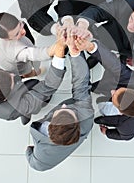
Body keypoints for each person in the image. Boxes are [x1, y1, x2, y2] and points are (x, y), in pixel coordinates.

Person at [0, 26, 67, 125]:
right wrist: (59, 54)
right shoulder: (11, 110)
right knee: (40, 99)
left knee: (30, 82)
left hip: (9, 94)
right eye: (12, 79)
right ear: (6, 98)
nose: (13, 74)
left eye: (6, 73)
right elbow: (48, 86)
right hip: (18, 107)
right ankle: (26, 114)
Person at [25, 27, 94, 171]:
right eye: (69, 112)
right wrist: (75, 53)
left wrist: (29, 151)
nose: (63, 106)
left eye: (60, 112)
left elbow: (33, 162)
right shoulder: (86, 115)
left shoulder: (41, 159)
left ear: (49, 127)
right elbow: (81, 84)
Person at [74, 37, 134, 141]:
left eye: (114, 95)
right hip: (110, 81)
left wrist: (107, 132)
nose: (112, 91)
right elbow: (114, 65)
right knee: (96, 86)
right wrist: (91, 47)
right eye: (119, 91)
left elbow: (123, 136)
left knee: (98, 95)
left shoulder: (130, 128)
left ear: (121, 112)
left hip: (106, 109)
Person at [0, 12, 57, 77]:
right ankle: (30, 74)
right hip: (13, 65)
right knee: (26, 70)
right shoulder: (18, 52)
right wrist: (55, 49)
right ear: (6, 39)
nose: (24, 31)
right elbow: (36, 54)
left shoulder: (2, 31)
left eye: (20, 25)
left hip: (1, 53)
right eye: (17, 34)